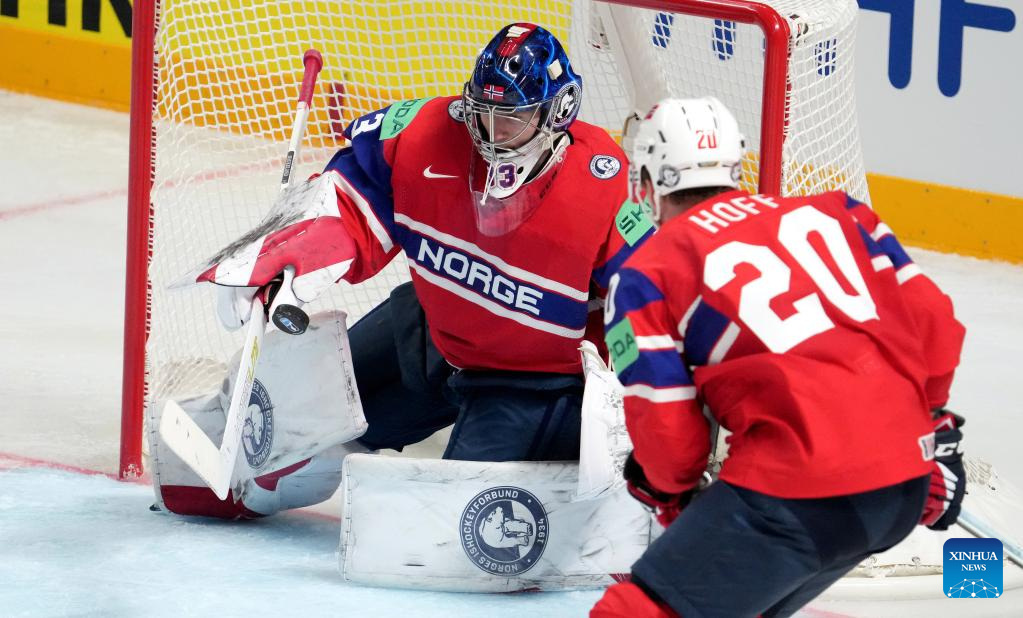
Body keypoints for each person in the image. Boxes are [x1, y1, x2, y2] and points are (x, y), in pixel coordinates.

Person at [153, 23, 653, 518]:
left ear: (557, 112)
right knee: (301, 414)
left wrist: (644, 410)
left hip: (532, 382)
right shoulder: (425, 134)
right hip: (435, 327)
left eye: (512, 118)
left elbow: (650, 305)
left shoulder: (607, 188)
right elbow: (348, 198)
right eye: (483, 113)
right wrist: (284, 253)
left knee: (462, 523)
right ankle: (232, 488)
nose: (492, 133)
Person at [590, 98, 967, 617]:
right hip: (905, 485)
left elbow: (669, 435)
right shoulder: (842, 212)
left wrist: (667, 489)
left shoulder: (646, 273)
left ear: (649, 181)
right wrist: (931, 424)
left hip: (794, 494)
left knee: (632, 611)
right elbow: (935, 323)